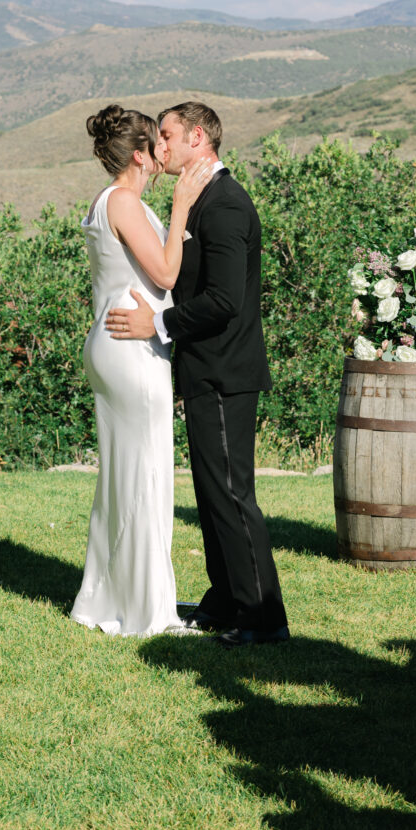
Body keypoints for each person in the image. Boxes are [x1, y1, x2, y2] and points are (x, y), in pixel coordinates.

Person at [106, 101, 288, 648]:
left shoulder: (226, 204)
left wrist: (157, 322)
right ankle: (225, 600)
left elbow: (226, 301)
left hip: (227, 372)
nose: (162, 146)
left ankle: (263, 618)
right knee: (212, 493)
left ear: (199, 138)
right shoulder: (202, 200)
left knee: (232, 494)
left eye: (168, 135)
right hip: (206, 370)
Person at [70, 104, 211, 636]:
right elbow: (166, 271)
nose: (164, 153)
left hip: (114, 342)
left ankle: (106, 599)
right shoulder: (125, 202)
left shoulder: (108, 200)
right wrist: (180, 210)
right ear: (140, 154)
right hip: (130, 348)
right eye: (157, 144)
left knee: (123, 477)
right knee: (147, 475)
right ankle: (151, 613)